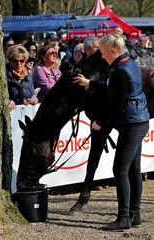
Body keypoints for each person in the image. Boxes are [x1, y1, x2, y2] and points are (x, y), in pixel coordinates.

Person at [73, 28, 150, 230]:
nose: (102, 55)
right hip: (139, 121)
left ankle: (124, 217)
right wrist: (90, 82)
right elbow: (111, 86)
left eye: (104, 51)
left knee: (120, 170)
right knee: (133, 170)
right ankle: (135, 215)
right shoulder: (128, 63)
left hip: (131, 124)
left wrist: (100, 123)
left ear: (114, 50)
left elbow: (116, 104)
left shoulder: (119, 71)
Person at [6, 44, 38, 109]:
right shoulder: (5, 75)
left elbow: (31, 94)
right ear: (10, 61)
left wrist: (34, 100)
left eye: (22, 61)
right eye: (15, 61)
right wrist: (8, 102)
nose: (19, 64)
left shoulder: (28, 74)